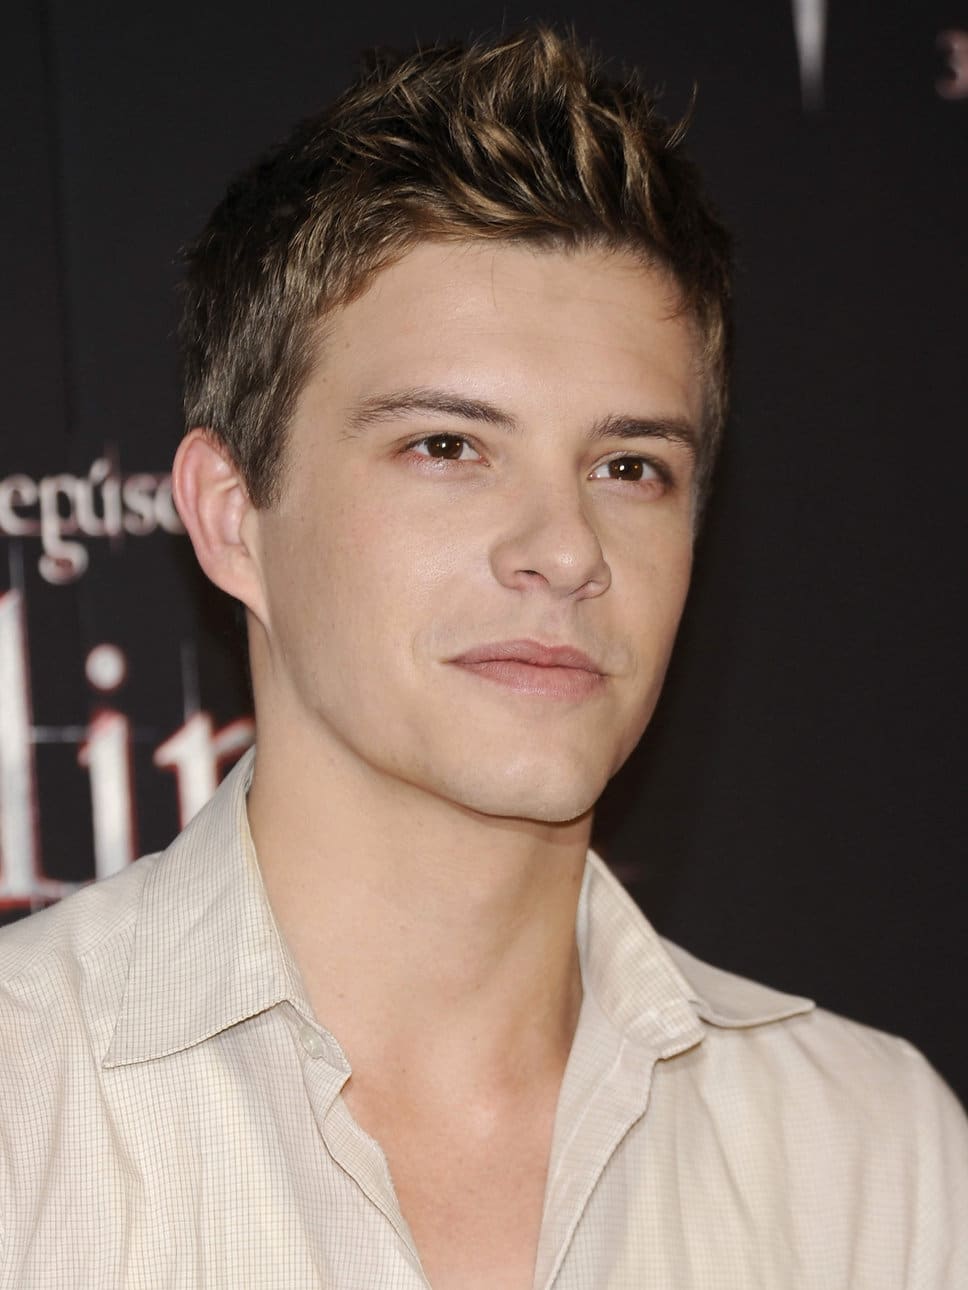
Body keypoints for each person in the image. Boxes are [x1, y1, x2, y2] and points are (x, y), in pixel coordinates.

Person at [0, 24, 965, 1290]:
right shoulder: (26, 1104)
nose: (564, 550)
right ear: (233, 518)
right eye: (447, 447)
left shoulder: (872, 1153)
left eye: (630, 467)